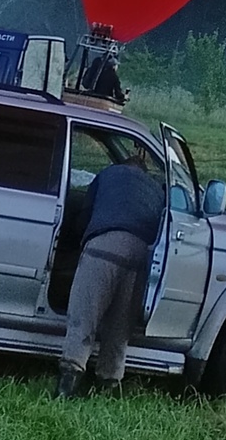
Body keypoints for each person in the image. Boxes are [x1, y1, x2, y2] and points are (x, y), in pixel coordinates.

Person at [57, 150, 167, 398]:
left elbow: (84, 217)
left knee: (83, 317)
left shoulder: (107, 174)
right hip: (141, 256)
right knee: (119, 326)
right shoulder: (156, 190)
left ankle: (67, 387)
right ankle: (107, 385)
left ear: (123, 164)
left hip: (104, 247)